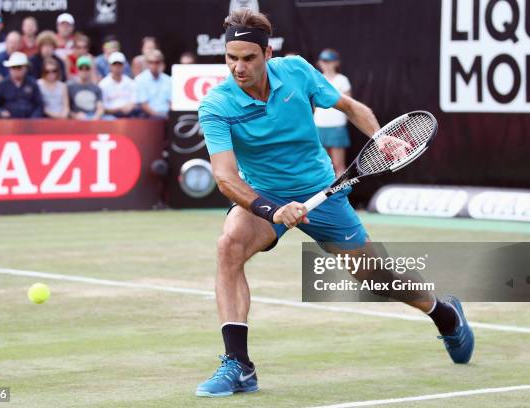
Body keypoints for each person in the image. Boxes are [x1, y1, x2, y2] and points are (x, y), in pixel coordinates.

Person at [195, 9, 474, 398]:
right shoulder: (216, 105)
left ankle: (443, 312)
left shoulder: (296, 72)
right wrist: (270, 210)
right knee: (229, 247)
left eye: (248, 58)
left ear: (267, 54)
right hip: (264, 196)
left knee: (377, 277)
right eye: (231, 58)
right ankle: (239, 365)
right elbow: (225, 177)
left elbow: (351, 107)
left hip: (321, 191)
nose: (238, 68)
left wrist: (381, 138)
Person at [314, 49, 352, 177]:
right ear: (320, 62)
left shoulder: (342, 80)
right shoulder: (316, 78)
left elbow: (350, 105)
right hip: (319, 126)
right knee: (323, 166)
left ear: (336, 62)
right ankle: (325, 196)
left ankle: (342, 195)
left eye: (329, 61)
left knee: (338, 164)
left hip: (336, 126)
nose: (326, 64)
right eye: (324, 61)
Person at [0, 51, 43, 118]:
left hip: (29, 122)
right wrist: (1, 112)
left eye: (19, 67)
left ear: (26, 68)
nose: (16, 70)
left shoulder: (32, 83)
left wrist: (34, 119)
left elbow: (39, 105)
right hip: (9, 123)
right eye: (13, 67)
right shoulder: (3, 85)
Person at [99, 51, 137, 118]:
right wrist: (119, 109)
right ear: (110, 66)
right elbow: (102, 107)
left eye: (120, 64)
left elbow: (134, 100)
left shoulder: (130, 82)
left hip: (129, 114)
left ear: (124, 65)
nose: (117, 67)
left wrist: (131, 106)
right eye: (114, 64)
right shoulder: (103, 84)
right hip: (111, 116)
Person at [135, 49, 171, 119]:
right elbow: (143, 105)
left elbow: (171, 102)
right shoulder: (140, 79)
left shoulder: (168, 80)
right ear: (147, 63)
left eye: (157, 62)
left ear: (161, 63)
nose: (154, 65)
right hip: (148, 118)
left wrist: (170, 115)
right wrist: (159, 116)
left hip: (167, 115)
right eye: (151, 62)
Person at [68, 56, 104, 120]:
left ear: (90, 70)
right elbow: (67, 109)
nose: (84, 71)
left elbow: (100, 108)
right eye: (81, 68)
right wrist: (75, 115)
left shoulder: (96, 88)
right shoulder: (70, 87)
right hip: (76, 119)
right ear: (77, 70)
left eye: (87, 68)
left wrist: (95, 117)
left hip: (92, 116)